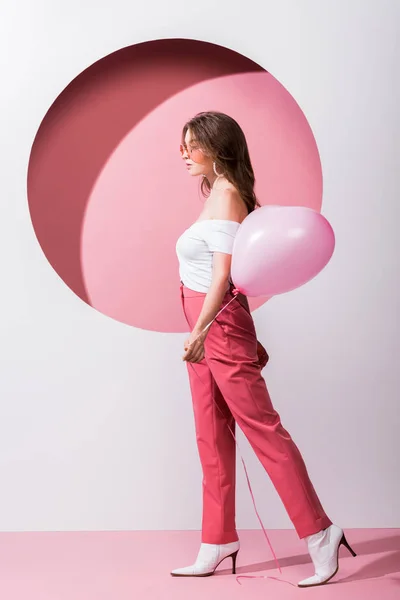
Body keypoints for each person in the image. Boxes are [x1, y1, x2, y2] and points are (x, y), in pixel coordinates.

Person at [172, 111, 356, 587]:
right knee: (210, 437)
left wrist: (202, 330)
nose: (184, 154)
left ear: (217, 147)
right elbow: (231, 279)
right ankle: (217, 541)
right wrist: (216, 331)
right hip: (208, 323)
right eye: (184, 144)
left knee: (263, 430)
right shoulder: (216, 193)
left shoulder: (229, 194)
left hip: (213, 323)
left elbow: (223, 277)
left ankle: (321, 534)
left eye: (192, 145)